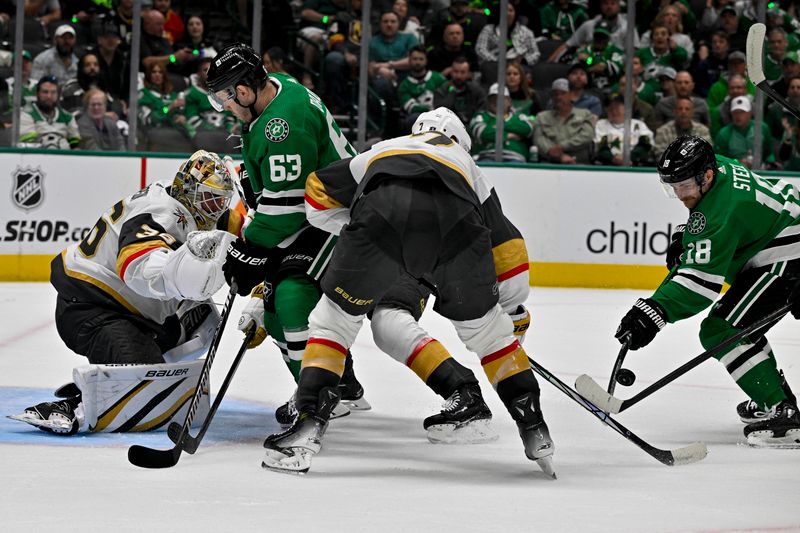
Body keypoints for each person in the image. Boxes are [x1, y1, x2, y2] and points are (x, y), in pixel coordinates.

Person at [262, 108, 555, 476]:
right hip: (457, 228)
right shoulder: (467, 165)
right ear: (460, 141)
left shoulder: (386, 147)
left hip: (380, 219)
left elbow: (316, 190)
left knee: (333, 324)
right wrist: (511, 312)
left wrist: (356, 225)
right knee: (489, 336)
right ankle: (534, 427)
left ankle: (306, 427)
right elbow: (509, 249)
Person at [9, 150, 240, 435]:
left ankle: (125, 368)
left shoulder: (193, 204)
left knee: (202, 326)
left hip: (136, 310)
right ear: (188, 190)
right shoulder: (162, 212)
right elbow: (138, 267)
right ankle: (75, 406)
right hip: (91, 306)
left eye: (220, 200)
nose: (216, 208)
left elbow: (241, 230)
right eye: (209, 198)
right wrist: (196, 278)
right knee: (147, 382)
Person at [205, 43, 366, 423]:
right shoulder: (277, 86)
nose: (224, 108)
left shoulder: (282, 129)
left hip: (340, 219)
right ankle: (339, 383)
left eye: (224, 99)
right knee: (274, 309)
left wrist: (246, 248)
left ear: (243, 92)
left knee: (292, 298)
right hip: (316, 215)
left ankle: (317, 397)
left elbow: (284, 212)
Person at [613, 135, 800, 448]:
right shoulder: (717, 169)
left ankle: (782, 413)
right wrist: (686, 236)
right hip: (782, 234)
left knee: (723, 330)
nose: (679, 194)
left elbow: (700, 284)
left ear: (707, 176)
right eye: (673, 186)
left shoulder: (722, 211)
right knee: (739, 326)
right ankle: (774, 396)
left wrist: (654, 312)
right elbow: (709, 223)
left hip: (788, 255)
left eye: (684, 186)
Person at [475, 1, 540, 87]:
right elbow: (480, 49)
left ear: (515, 13)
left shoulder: (526, 31)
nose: (508, 13)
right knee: (487, 67)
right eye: (505, 10)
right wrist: (498, 61)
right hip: (495, 65)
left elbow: (535, 53)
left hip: (519, 65)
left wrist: (524, 60)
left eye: (511, 10)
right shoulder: (489, 29)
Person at [533, 78, 594, 164]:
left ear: (571, 95)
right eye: (555, 94)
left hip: (580, 163)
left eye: (563, 93)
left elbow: (587, 136)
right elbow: (538, 140)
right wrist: (558, 156)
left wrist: (562, 146)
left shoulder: (585, 114)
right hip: (550, 163)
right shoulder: (541, 117)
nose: (558, 97)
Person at [469, 82, 534, 162]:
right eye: (493, 98)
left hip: (515, 158)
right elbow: (481, 133)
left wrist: (496, 126)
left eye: (501, 99)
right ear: (488, 101)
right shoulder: (481, 116)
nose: (497, 102)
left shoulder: (518, 116)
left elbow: (528, 129)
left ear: (509, 102)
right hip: (486, 156)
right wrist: (508, 135)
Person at [19, 76, 80, 149]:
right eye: (45, 92)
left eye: (53, 92)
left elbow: (75, 145)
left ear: (58, 95)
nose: (49, 96)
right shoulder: (27, 114)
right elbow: (29, 145)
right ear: (37, 94)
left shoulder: (67, 117)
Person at [713, 95, 775, 169]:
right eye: (735, 112)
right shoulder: (723, 134)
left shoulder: (762, 128)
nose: (738, 116)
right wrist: (736, 162)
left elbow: (769, 153)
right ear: (731, 114)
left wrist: (770, 163)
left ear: (750, 113)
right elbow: (718, 161)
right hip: (734, 172)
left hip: (761, 171)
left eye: (742, 112)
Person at [594, 93, 654, 166]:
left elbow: (646, 145)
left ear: (626, 108)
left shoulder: (638, 124)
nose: (613, 110)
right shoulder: (601, 125)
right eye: (610, 107)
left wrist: (630, 158)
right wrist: (613, 158)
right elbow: (600, 147)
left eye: (617, 106)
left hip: (635, 165)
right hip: (609, 165)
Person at [397, 46, 447, 131]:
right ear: (409, 61)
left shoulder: (438, 78)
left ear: (426, 60)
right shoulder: (404, 85)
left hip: (440, 116)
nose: (418, 62)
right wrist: (431, 109)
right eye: (415, 59)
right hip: (417, 120)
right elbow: (411, 108)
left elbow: (450, 91)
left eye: (421, 59)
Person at [433, 56, 486, 126]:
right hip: (448, 127)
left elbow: (482, 110)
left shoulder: (476, 90)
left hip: (471, 127)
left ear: (468, 73)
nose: (459, 76)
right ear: (451, 72)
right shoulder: (442, 90)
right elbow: (439, 113)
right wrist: (452, 93)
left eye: (462, 72)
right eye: (456, 72)